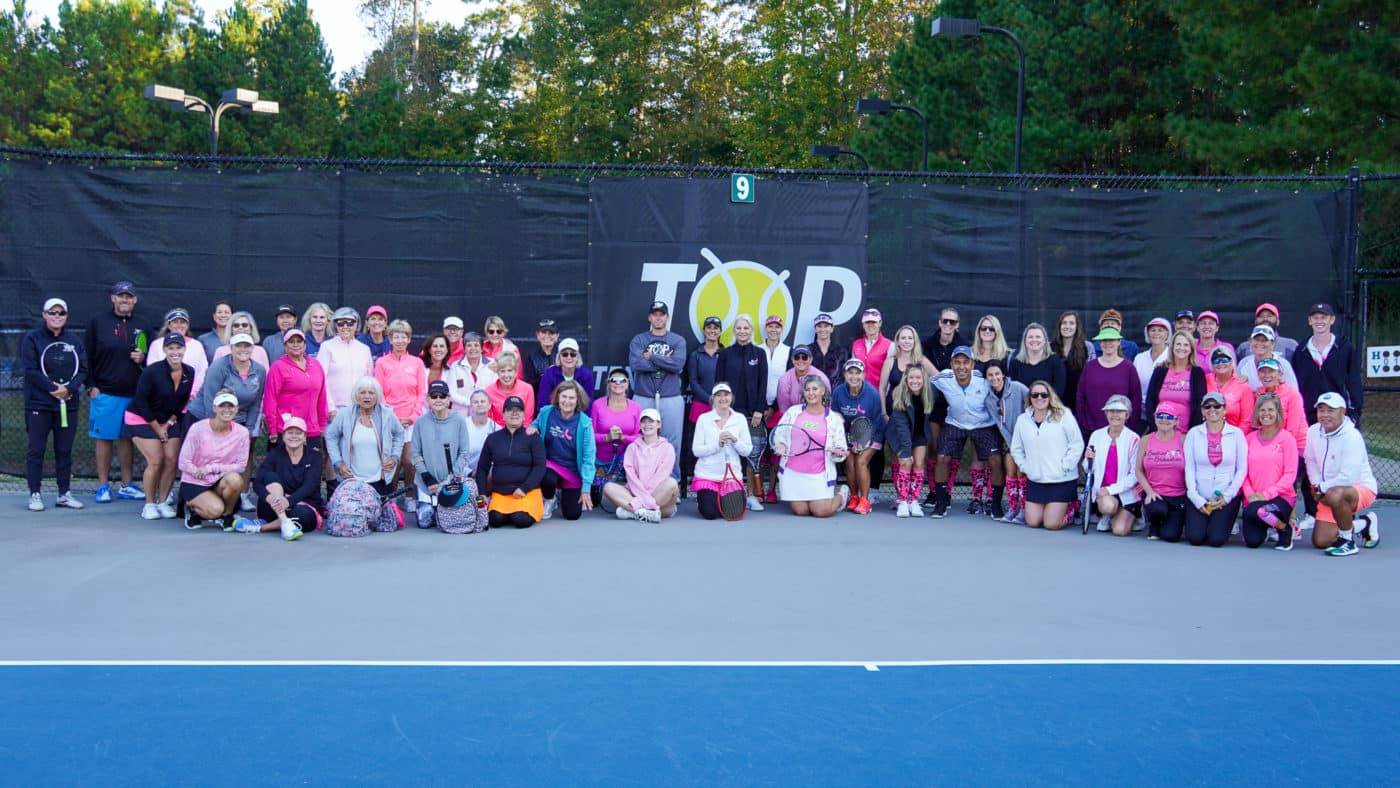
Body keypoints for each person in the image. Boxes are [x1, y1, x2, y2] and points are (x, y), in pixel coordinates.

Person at [1292, 302, 1364, 528]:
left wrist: (1354, 411)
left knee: (1339, 464)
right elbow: (1296, 386)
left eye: (1324, 317)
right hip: (1309, 415)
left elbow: (1353, 380)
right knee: (1311, 463)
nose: (1319, 321)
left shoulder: (1345, 347)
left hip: (1337, 415)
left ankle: (1346, 515)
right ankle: (1313, 513)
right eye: (1315, 317)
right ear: (1309, 321)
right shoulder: (1301, 350)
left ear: (1332, 320)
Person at [20, 297, 87, 512]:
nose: (57, 316)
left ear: (66, 316)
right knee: (36, 450)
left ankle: (64, 494)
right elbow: (30, 370)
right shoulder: (32, 339)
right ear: (44, 315)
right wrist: (53, 388)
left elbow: (83, 370)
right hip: (39, 405)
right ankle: (35, 494)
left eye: (61, 313)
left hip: (68, 405)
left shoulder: (74, 340)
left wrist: (69, 389)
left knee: (64, 450)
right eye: (52, 312)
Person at [84, 281, 146, 503]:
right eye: (121, 296)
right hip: (105, 393)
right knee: (104, 438)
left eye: (129, 296)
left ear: (135, 300)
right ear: (113, 298)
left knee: (127, 438)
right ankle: (103, 485)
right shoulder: (98, 322)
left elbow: (152, 357)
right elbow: (86, 356)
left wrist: (143, 357)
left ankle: (127, 485)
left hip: (133, 394)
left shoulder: (143, 325)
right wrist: (91, 386)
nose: (124, 300)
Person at [190, 332, 266, 512]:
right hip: (208, 417)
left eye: (246, 346)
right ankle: (197, 501)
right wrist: (214, 430)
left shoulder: (260, 370)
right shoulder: (219, 366)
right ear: (231, 348)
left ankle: (235, 499)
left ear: (252, 348)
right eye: (238, 346)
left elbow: (256, 403)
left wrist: (248, 430)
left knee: (238, 460)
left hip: (240, 420)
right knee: (209, 458)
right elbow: (210, 400)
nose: (242, 349)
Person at [929, 347, 1003, 519]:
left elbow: (1002, 387)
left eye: (966, 362)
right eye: (957, 362)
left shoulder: (983, 379)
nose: (961, 367)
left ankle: (996, 505)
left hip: (983, 424)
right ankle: (941, 503)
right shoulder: (944, 377)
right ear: (951, 364)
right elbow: (921, 380)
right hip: (955, 423)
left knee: (996, 460)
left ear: (973, 364)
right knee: (941, 457)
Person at [126, 333, 195, 521]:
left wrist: (169, 424)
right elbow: (141, 401)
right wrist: (158, 429)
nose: (175, 352)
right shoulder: (152, 371)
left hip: (168, 420)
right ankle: (149, 504)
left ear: (184, 349)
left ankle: (162, 502)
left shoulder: (189, 372)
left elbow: (181, 402)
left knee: (172, 459)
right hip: (141, 418)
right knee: (156, 460)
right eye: (171, 348)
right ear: (164, 350)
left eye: (178, 348)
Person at [1305, 392, 1380, 556]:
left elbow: (1348, 477)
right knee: (1321, 541)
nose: (1325, 415)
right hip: (1328, 490)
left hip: (1360, 488)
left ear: (1342, 411)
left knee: (1336, 494)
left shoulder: (1352, 437)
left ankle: (1348, 542)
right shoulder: (1312, 431)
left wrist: (1322, 487)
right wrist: (1316, 485)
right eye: (1321, 410)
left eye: (1330, 410)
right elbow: (1310, 460)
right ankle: (1364, 524)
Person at [772, 375, 850, 517]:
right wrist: (781, 445)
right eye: (807, 389)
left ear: (822, 391)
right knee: (801, 511)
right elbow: (780, 434)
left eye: (815, 389)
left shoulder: (834, 419)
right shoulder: (793, 412)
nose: (811, 393)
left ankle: (841, 495)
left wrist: (837, 453)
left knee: (821, 511)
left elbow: (840, 448)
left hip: (819, 474)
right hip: (793, 473)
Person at [1009, 381, 1083, 530]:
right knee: (1033, 522)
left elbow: (1077, 444)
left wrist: (1065, 466)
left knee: (1051, 524)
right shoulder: (1022, 420)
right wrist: (1025, 467)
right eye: (1035, 395)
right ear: (1030, 398)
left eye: (1044, 395)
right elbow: (1016, 448)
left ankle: (1073, 508)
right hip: (1036, 479)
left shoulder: (1063, 415)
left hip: (1061, 479)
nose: (1039, 398)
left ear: (1050, 397)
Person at [880, 325, 938, 507]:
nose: (906, 341)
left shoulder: (921, 361)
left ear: (915, 341)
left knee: (918, 460)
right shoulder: (890, 361)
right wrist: (884, 413)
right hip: (895, 416)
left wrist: (928, 400)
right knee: (898, 458)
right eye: (903, 338)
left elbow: (938, 379)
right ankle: (901, 497)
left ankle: (913, 499)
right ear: (897, 341)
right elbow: (882, 388)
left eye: (910, 338)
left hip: (918, 417)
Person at [628, 300, 687, 479]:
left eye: (662, 314)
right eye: (655, 314)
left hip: (671, 397)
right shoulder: (639, 339)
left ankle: (672, 481)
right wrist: (665, 361)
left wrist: (652, 357)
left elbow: (677, 365)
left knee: (672, 441)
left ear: (667, 317)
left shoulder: (677, 340)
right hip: (644, 395)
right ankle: (642, 480)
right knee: (642, 438)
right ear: (650, 317)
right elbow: (636, 364)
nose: (658, 318)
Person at [176, 389, 250, 529]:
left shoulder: (242, 433)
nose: (227, 410)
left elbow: (241, 466)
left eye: (231, 406)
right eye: (222, 406)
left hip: (219, 479)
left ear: (237, 409)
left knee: (235, 479)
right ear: (214, 408)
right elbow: (183, 462)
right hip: (195, 480)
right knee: (215, 510)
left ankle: (227, 515)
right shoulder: (197, 428)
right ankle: (191, 508)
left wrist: (210, 468)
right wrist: (197, 471)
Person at [1183, 391, 1249, 547]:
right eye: (1207, 406)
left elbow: (1241, 469)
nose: (1212, 409)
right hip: (1200, 495)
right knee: (1195, 538)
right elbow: (1189, 467)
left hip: (1224, 496)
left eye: (1217, 406)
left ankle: (1221, 521)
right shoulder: (1193, 433)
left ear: (1224, 409)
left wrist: (1227, 496)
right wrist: (1196, 497)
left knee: (1216, 540)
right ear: (1202, 411)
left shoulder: (1236, 434)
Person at [240, 414, 322, 540]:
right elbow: (257, 483)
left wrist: (288, 501)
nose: (294, 436)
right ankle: (285, 522)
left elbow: (310, 486)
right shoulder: (275, 454)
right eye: (290, 432)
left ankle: (260, 527)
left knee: (303, 516)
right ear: (283, 436)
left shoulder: (314, 457)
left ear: (305, 436)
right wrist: (269, 498)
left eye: (298, 433)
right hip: (275, 504)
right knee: (269, 476)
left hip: (303, 505)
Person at [716, 314, 767, 510]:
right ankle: (728, 492)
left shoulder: (759, 354)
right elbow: (719, 384)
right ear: (734, 331)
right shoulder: (725, 354)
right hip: (729, 414)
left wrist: (759, 409)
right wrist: (722, 410)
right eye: (739, 328)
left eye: (746, 328)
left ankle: (751, 495)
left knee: (751, 456)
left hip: (753, 414)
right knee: (728, 453)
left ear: (752, 330)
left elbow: (763, 383)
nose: (742, 331)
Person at [325, 376, 404, 497]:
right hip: (352, 480)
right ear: (356, 395)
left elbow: (399, 433)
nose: (367, 396)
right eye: (362, 392)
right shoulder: (345, 414)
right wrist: (338, 462)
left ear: (377, 396)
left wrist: (394, 456)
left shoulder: (387, 414)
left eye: (371, 393)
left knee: (381, 509)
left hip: (381, 480)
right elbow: (330, 436)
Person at [476, 395, 547, 528]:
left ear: (524, 415)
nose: (514, 413)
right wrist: (482, 493)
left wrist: (525, 488)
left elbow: (540, 467)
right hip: (501, 493)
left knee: (520, 519)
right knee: (495, 520)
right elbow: (482, 468)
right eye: (510, 410)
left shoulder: (533, 437)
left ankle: (524, 509)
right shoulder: (492, 438)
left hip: (526, 492)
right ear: (503, 415)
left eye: (518, 410)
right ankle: (504, 512)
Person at [529, 380, 597, 521]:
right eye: (564, 397)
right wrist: (533, 427)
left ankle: (563, 493)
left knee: (572, 515)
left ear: (578, 400)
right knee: (548, 478)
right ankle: (549, 498)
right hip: (550, 465)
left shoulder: (585, 423)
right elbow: (535, 424)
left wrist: (586, 488)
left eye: (571, 398)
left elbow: (588, 458)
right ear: (558, 397)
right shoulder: (546, 412)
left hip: (572, 470)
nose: (567, 401)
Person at [1241, 393, 1299, 550]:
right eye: (1262, 410)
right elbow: (1243, 472)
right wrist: (1250, 494)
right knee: (1252, 542)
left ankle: (1284, 529)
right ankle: (1266, 526)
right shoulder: (1249, 439)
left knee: (1261, 511)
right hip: (1253, 499)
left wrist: (1266, 495)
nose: (1266, 414)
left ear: (1278, 412)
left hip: (1280, 498)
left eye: (1271, 410)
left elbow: (1290, 474)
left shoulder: (1287, 439)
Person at [373, 320, 427, 491]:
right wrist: (392, 417)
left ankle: (410, 497)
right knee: (392, 462)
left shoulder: (417, 363)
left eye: (404, 337)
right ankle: (390, 497)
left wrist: (413, 416)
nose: (400, 341)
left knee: (410, 461)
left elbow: (422, 392)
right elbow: (379, 393)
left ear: (409, 339)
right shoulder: (381, 363)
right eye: (396, 337)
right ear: (390, 339)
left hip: (412, 420)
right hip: (390, 419)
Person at [411, 380, 471, 528]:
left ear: (448, 399)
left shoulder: (459, 421)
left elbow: (464, 453)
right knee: (425, 522)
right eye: (434, 396)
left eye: (442, 396)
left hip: (450, 483)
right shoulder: (420, 422)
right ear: (428, 399)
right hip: (426, 484)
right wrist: (427, 478)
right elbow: (415, 454)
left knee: (450, 520)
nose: (438, 399)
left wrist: (449, 479)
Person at [690, 382, 753, 520]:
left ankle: (723, 500)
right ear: (713, 399)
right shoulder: (703, 419)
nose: (723, 398)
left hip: (731, 477)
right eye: (718, 395)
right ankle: (708, 500)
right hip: (707, 476)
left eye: (726, 395)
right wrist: (717, 445)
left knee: (734, 514)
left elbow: (747, 451)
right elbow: (696, 450)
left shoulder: (740, 419)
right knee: (710, 513)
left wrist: (735, 440)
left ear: (731, 397)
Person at [604, 408, 678, 522]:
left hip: (658, 497)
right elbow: (631, 477)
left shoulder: (668, 448)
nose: (647, 425)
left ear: (658, 424)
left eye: (651, 421)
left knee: (671, 483)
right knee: (608, 487)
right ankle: (645, 513)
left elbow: (662, 476)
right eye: (643, 421)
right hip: (635, 493)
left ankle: (634, 511)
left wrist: (643, 498)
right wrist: (641, 495)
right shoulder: (632, 448)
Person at [262, 328, 331, 449]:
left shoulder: (316, 365)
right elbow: (270, 399)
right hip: (287, 428)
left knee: (312, 460)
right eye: (291, 342)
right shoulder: (278, 367)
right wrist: (272, 429)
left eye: (299, 341)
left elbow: (322, 397)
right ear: (285, 346)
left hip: (311, 429)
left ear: (305, 345)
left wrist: (321, 425)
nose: (295, 345)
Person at [831, 358, 884, 515]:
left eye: (857, 373)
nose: (854, 376)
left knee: (861, 461)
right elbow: (835, 417)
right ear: (845, 375)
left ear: (864, 375)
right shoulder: (838, 392)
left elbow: (876, 422)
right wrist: (846, 440)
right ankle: (854, 497)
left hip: (872, 434)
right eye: (850, 373)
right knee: (849, 461)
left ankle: (865, 501)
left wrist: (862, 442)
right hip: (848, 435)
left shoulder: (873, 394)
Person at [1084, 395, 1141, 536]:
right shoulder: (1096, 435)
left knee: (1120, 530)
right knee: (1108, 506)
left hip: (1126, 493)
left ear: (1127, 415)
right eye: (1111, 411)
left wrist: (1111, 489)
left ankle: (1137, 516)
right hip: (1104, 494)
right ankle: (1107, 515)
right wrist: (1088, 459)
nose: (1115, 415)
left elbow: (1135, 475)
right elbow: (1088, 468)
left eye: (1120, 411)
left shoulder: (1134, 438)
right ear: (1106, 413)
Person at [850, 308, 891, 502]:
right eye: (867, 322)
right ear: (863, 325)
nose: (871, 325)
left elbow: (889, 375)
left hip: (880, 401)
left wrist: (884, 404)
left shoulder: (890, 346)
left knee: (877, 446)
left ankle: (874, 489)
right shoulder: (856, 345)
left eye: (874, 322)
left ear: (880, 323)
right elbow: (853, 373)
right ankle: (858, 490)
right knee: (859, 445)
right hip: (859, 401)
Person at [885, 365, 936, 518]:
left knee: (919, 463)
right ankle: (902, 501)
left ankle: (913, 500)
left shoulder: (930, 393)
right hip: (900, 434)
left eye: (918, 377)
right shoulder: (899, 396)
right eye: (911, 377)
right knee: (906, 462)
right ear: (906, 379)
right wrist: (906, 452)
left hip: (919, 432)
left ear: (924, 379)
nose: (915, 381)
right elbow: (902, 428)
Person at [1136, 400, 1190, 542]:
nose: (1164, 420)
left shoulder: (1184, 439)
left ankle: (1170, 522)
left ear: (1176, 421)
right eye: (1160, 416)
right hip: (1155, 493)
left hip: (1178, 495)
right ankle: (1154, 523)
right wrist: (1149, 491)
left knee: (1171, 536)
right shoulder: (1146, 440)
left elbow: (1191, 469)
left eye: (1169, 417)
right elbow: (1138, 470)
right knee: (1157, 510)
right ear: (1155, 418)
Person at [984, 359, 1028, 523]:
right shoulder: (989, 399)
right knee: (1010, 471)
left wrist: (1024, 441)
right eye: (990, 375)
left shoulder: (1018, 388)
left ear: (1003, 374)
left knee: (1021, 472)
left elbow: (1033, 407)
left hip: (1026, 440)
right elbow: (999, 425)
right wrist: (1012, 445)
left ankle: (1024, 509)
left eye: (997, 373)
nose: (994, 378)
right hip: (1010, 442)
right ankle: (1013, 507)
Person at [684, 316, 725, 492]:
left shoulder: (725, 353)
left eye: (716, 328)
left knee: (719, 442)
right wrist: (710, 399)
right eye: (709, 328)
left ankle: (719, 479)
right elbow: (693, 382)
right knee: (697, 443)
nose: (712, 331)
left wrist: (720, 400)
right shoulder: (695, 355)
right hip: (700, 405)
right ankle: (695, 480)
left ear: (720, 331)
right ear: (704, 330)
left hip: (722, 406)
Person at [1075, 326, 1141, 436]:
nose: (1108, 343)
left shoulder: (1128, 368)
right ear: (1100, 343)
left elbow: (1136, 398)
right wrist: (1084, 423)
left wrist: (1130, 425)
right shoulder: (1090, 367)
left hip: (1121, 429)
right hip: (1092, 429)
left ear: (1119, 342)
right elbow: (1081, 396)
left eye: (1112, 340)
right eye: (1104, 340)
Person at [590, 368, 641, 498]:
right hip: (600, 460)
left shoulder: (636, 407)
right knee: (595, 501)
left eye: (622, 380)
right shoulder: (597, 405)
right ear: (608, 383)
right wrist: (607, 437)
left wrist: (622, 437)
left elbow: (639, 437)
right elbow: (590, 435)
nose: (618, 383)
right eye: (614, 380)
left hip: (626, 459)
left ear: (627, 383)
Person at [1144, 329, 1206, 433]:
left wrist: (1191, 433)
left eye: (1186, 345)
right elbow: (1150, 402)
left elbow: (1199, 406)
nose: (1182, 348)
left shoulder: (1197, 373)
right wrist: (1155, 430)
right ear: (1172, 347)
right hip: (1159, 431)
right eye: (1178, 344)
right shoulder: (1161, 370)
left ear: (1191, 349)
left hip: (1185, 433)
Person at [319, 307, 374, 420]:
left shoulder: (364, 349)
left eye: (350, 322)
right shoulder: (326, 347)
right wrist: (330, 408)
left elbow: (369, 380)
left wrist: (367, 407)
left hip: (360, 408)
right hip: (335, 410)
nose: (345, 326)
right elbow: (320, 379)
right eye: (341, 323)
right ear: (335, 326)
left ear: (356, 325)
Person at [1255, 358, 1308, 460]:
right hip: (1271, 445)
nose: (1266, 375)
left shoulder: (1292, 394)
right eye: (1263, 371)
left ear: (1280, 374)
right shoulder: (1259, 394)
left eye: (1271, 371)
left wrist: (1278, 448)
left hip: (1296, 447)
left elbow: (1292, 429)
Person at [146, 308, 209, 393]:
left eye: (182, 322)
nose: (179, 325)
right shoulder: (157, 344)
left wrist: (192, 392)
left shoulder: (197, 345)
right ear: (169, 325)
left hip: (191, 395)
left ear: (187, 325)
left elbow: (202, 371)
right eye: (175, 322)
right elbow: (152, 370)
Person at [1008, 323, 1066, 401]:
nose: (1034, 340)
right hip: (1023, 406)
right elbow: (1013, 391)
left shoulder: (1055, 361)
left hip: (1049, 406)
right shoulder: (1015, 363)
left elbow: (1058, 391)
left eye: (1038, 337)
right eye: (1030, 337)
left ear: (1045, 340)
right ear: (1024, 340)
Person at [1204, 344, 1255, 433]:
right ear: (1211, 364)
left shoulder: (1243, 386)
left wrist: (1234, 438)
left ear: (1232, 362)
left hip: (1235, 435)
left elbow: (1246, 421)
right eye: (1216, 361)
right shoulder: (1204, 381)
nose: (1220, 363)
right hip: (1207, 434)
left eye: (1224, 360)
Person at [1053, 311, 1095, 411]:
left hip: (1080, 403)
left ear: (1077, 327)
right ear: (1059, 326)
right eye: (1064, 323)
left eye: (1071, 323)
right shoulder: (1050, 347)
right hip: (1055, 404)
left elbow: (1091, 375)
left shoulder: (1087, 347)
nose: (1067, 326)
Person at [1237, 325, 1299, 391]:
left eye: (1264, 340)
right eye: (1256, 339)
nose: (1260, 343)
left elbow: (1294, 392)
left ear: (1272, 344)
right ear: (1250, 342)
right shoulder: (1244, 363)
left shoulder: (1283, 364)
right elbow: (1235, 391)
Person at [444, 331, 497, 406]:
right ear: (464, 349)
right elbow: (451, 393)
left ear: (482, 349)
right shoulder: (455, 366)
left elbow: (495, 389)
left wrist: (481, 404)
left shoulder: (492, 364)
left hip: (485, 409)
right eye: (469, 345)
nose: (473, 348)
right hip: (461, 411)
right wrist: (470, 403)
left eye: (476, 345)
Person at [776, 346, 830, 415]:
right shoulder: (784, 380)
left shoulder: (822, 378)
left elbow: (827, 405)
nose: (800, 360)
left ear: (810, 359)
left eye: (804, 357)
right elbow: (784, 410)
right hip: (792, 417)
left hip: (818, 416)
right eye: (797, 357)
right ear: (792, 359)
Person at [539, 337, 595, 405]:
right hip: (554, 411)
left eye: (573, 354)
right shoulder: (549, 374)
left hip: (578, 411)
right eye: (564, 354)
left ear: (577, 357)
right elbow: (543, 403)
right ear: (559, 357)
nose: (569, 357)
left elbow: (588, 403)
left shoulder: (586, 375)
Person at [486, 351, 535, 426]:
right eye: (502, 371)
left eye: (510, 370)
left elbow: (527, 421)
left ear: (516, 372)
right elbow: (488, 421)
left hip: (521, 431)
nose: (506, 375)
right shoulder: (489, 391)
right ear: (498, 373)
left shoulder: (527, 389)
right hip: (498, 431)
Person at [760, 316, 791, 423]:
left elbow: (789, 381)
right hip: (758, 407)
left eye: (777, 327)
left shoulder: (788, 351)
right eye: (770, 326)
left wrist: (773, 407)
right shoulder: (756, 350)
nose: (773, 330)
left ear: (781, 329)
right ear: (766, 328)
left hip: (780, 406)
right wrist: (761, 405)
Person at [1134, 317, 1172, 402]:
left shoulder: (1173, 356)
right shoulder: (1139, 358)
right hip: (1142, 405)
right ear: (1147, 334)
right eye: (1153, 330)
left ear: (1167, 334)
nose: (1156, 333)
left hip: (1166, 405)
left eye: (1160, 330)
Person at [462, 389, 498, 474]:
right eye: (476, 402)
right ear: (471, 406)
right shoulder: (462, 426)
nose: (479, 404)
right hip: (465, 475)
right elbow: (455, 456)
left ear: (489, 405)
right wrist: (470, 473)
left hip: (489, 476)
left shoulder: (496, 428)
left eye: (483, 401)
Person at [921, 307, 965, 372]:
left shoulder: (965, 347)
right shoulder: (926, 345)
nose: (948, 324)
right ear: (940, 323)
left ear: (957, 325)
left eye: (952, 322)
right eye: (945, 321)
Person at [522, 318, 559, 394]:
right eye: (544, 332)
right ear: (537, 335)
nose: (547, 336)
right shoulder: (531, 357)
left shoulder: (564, 355)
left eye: (551, 333)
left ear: (557, 336)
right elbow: (528, 385)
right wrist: (545, 375)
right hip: (539, 398)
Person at [809, 312, 849, 382]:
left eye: (826, 326)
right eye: (819, 326)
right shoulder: (808, 350)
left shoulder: (842, 351)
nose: (823, 329)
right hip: (813, 388)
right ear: (815, 329)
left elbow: (845, 375)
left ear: (832, 328)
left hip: (835, 389)